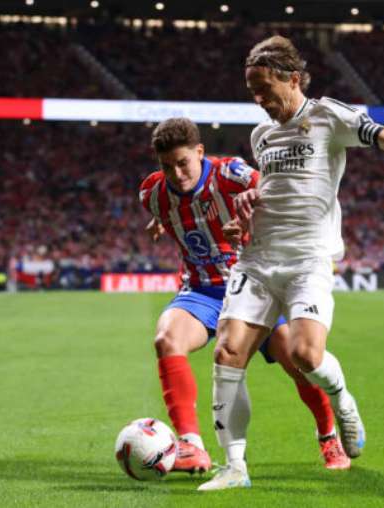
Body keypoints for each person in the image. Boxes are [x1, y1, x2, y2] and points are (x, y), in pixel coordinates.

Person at [199, 35, 384, 491]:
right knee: (227, 354)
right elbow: (275, 189)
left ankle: (343, 402)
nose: (260, 100)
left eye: (265, 88)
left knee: (305, 355)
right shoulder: (261, 134)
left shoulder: (329, 114)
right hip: (257, 258)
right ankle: (234, 467)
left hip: (308, 259)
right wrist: (245, 218)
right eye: (253, 92)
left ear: (292, 78)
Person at [138, 117, 351, 475]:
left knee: (296, 360)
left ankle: (328, 435)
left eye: (183, 162)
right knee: (166, 338)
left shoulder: (232, 174)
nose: (176, 173)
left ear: (200, 152)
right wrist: (161, 221)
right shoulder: (153, 194)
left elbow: (279, 195)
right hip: (202, 291)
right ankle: (191, 445)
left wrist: (253, 221)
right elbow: (168, 210)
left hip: (257, 285)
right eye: (167, 166)